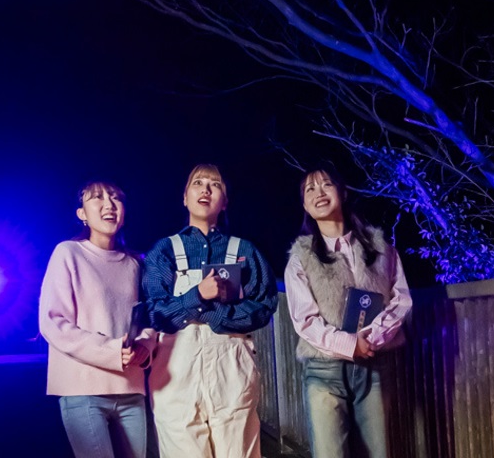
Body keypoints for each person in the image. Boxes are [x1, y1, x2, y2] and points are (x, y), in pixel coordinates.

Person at [142, 163, 278, 458]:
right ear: (184, 197)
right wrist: (198, 296)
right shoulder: (164, 250)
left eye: (215, 185)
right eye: (198, 183)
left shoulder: (245, 251)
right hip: (176, 369)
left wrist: (211, 314)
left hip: (231, 367)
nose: (205, 189)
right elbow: (155, 313)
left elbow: (264, 308)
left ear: (224, 201)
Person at [284, 166, 412, 458]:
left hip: (374, 365)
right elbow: (305, 320)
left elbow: (401, 299)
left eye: (326, 184)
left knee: (379, 452)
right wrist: (350, 344)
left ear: (342, 192)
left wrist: (373, 338)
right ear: (304, 205)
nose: (319, 193)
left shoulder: (381, 249)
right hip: (324, 371)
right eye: (310, 189)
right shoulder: (301, 258)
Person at [38, 181, 157, 458]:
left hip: (130, 387)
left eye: (116, 198)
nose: (109, 205)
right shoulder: (68, 252)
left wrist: (144, 347)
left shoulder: (135, 263)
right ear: (82, 213)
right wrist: (111, 351)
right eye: (98, 198)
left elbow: (149, 319)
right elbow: (53, 321)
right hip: (82, 387)